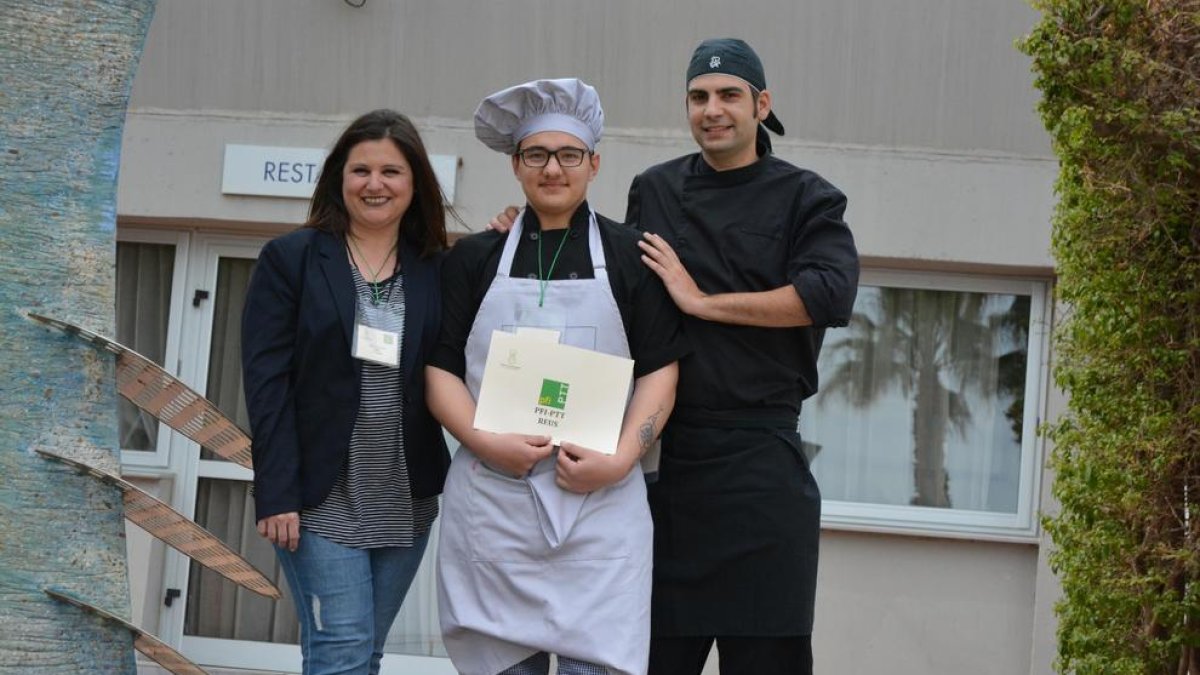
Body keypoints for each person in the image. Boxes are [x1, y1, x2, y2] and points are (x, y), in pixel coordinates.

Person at [492, 40, 860, 675]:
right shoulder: (656, 188)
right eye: (698, 97)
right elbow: (615, 283)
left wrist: (702, 302)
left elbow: (828, 293)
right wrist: (528, 228)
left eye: (729, 95)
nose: (712, 110)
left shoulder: (808, 197)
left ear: (761, 105)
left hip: (763, 470)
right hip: (668, 470)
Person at [427, 78, 688, 675]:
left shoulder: (631, 257)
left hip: (601, 512)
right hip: (494, 509)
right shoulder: (474, 258)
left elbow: (660, 374)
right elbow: (439, 372)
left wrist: (620, 459)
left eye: (569, 154)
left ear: (594, 164)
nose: (552, 169)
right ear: (516, 165)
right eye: (537, 154)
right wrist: (486, 442)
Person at [241, 109, 452, 675]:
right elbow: (267, 384)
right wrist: (277, 492)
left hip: (405, 498)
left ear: (415, 183)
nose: (374, 184)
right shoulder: (292, 259)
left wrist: (510, 229)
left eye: (391, 171)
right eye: (361, 170)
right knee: (342, 651)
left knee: (364, 653)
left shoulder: (437, 268)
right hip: (318, 497)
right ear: (340, 177)